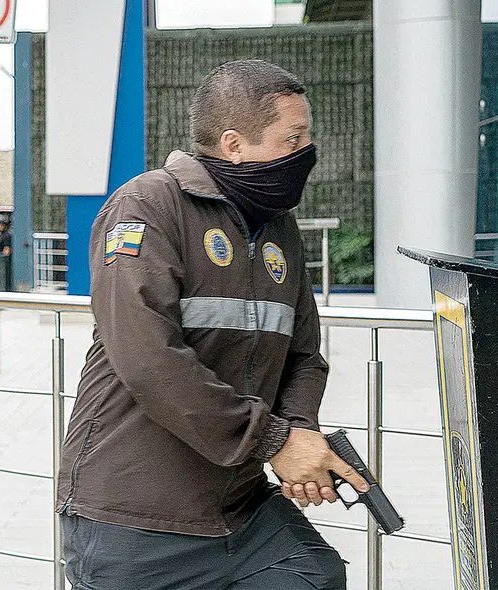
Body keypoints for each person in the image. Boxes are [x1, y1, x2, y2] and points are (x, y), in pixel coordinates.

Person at [56, 60, 370, 589]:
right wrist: (273, 442)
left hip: (239, 509)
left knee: (315, 577)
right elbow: (148, 358)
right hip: (135, 513)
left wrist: (295, 432)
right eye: (292, 139)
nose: (306, 155)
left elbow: (304, 353)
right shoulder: (147, 207)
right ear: (233, 144)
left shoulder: (278, 227)